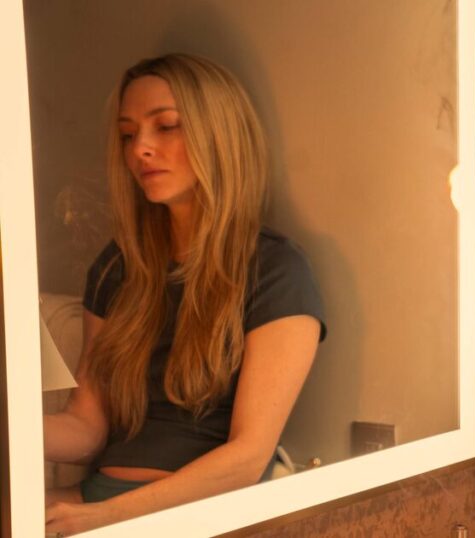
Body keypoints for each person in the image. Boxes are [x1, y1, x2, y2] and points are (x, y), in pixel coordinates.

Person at [43, 53, 326, 536]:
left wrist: (106, 518)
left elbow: (247, 457)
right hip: (99, 499)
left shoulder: (276, 270)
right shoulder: (117, 267)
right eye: (128, 134)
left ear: (219, 135)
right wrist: (12, 424)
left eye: (166, 126)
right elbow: (87, 428)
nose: (140, 149)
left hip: (193, 515)